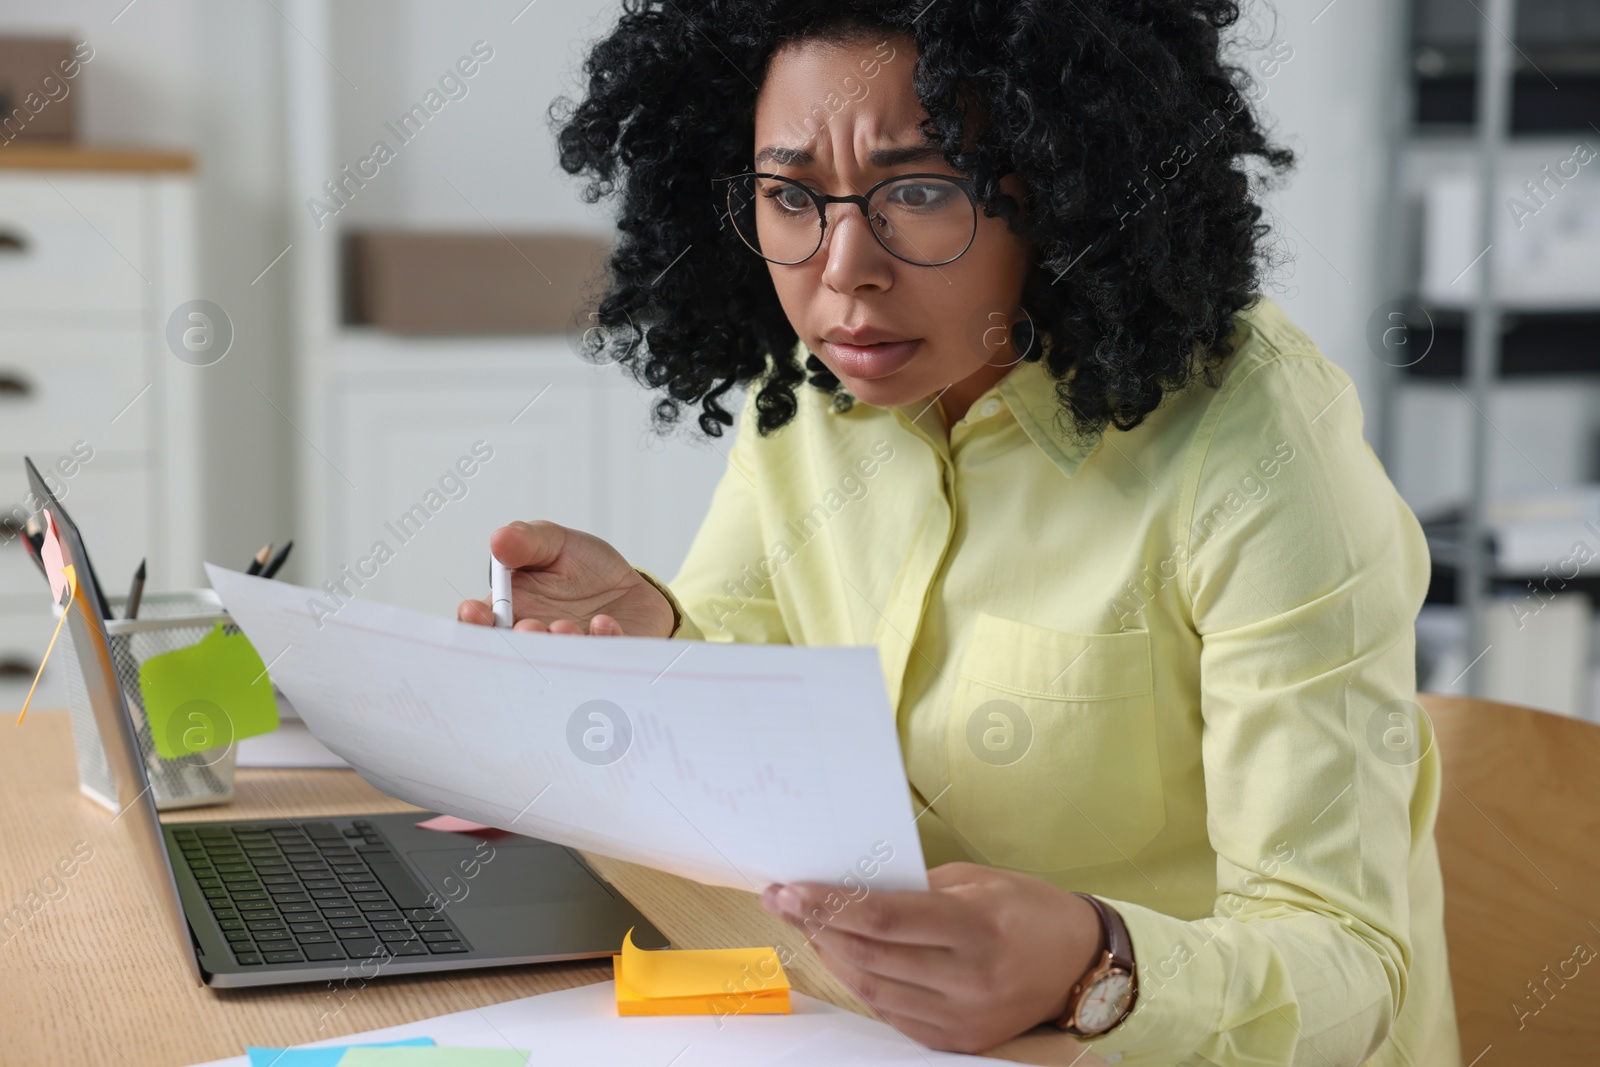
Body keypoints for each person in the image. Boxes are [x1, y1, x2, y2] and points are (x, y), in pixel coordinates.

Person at [458, 3, 1462, 1063]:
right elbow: (767, 722)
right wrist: (654, 640)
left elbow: (1354, 967)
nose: (843, 268)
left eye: (924, 191)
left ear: (1063, 184)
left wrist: (1099, 966)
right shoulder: (816, 382)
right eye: (791, 197)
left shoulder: (1259, 448)